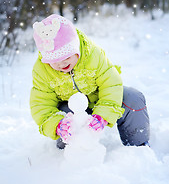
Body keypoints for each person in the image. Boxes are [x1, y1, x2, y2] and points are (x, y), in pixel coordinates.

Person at [30, 14, 150, 150]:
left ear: (75, 48)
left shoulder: (93, 55)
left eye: (66, 57)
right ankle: (72, 151)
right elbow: (41, 106)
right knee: (66, 117)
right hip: (70, 109)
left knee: (132, 98)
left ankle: (139, 146)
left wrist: (103, 115)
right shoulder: (42, 71)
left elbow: (111, 85)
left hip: (100, 99)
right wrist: (57, 124)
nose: (61, 64)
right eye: (54, 61)